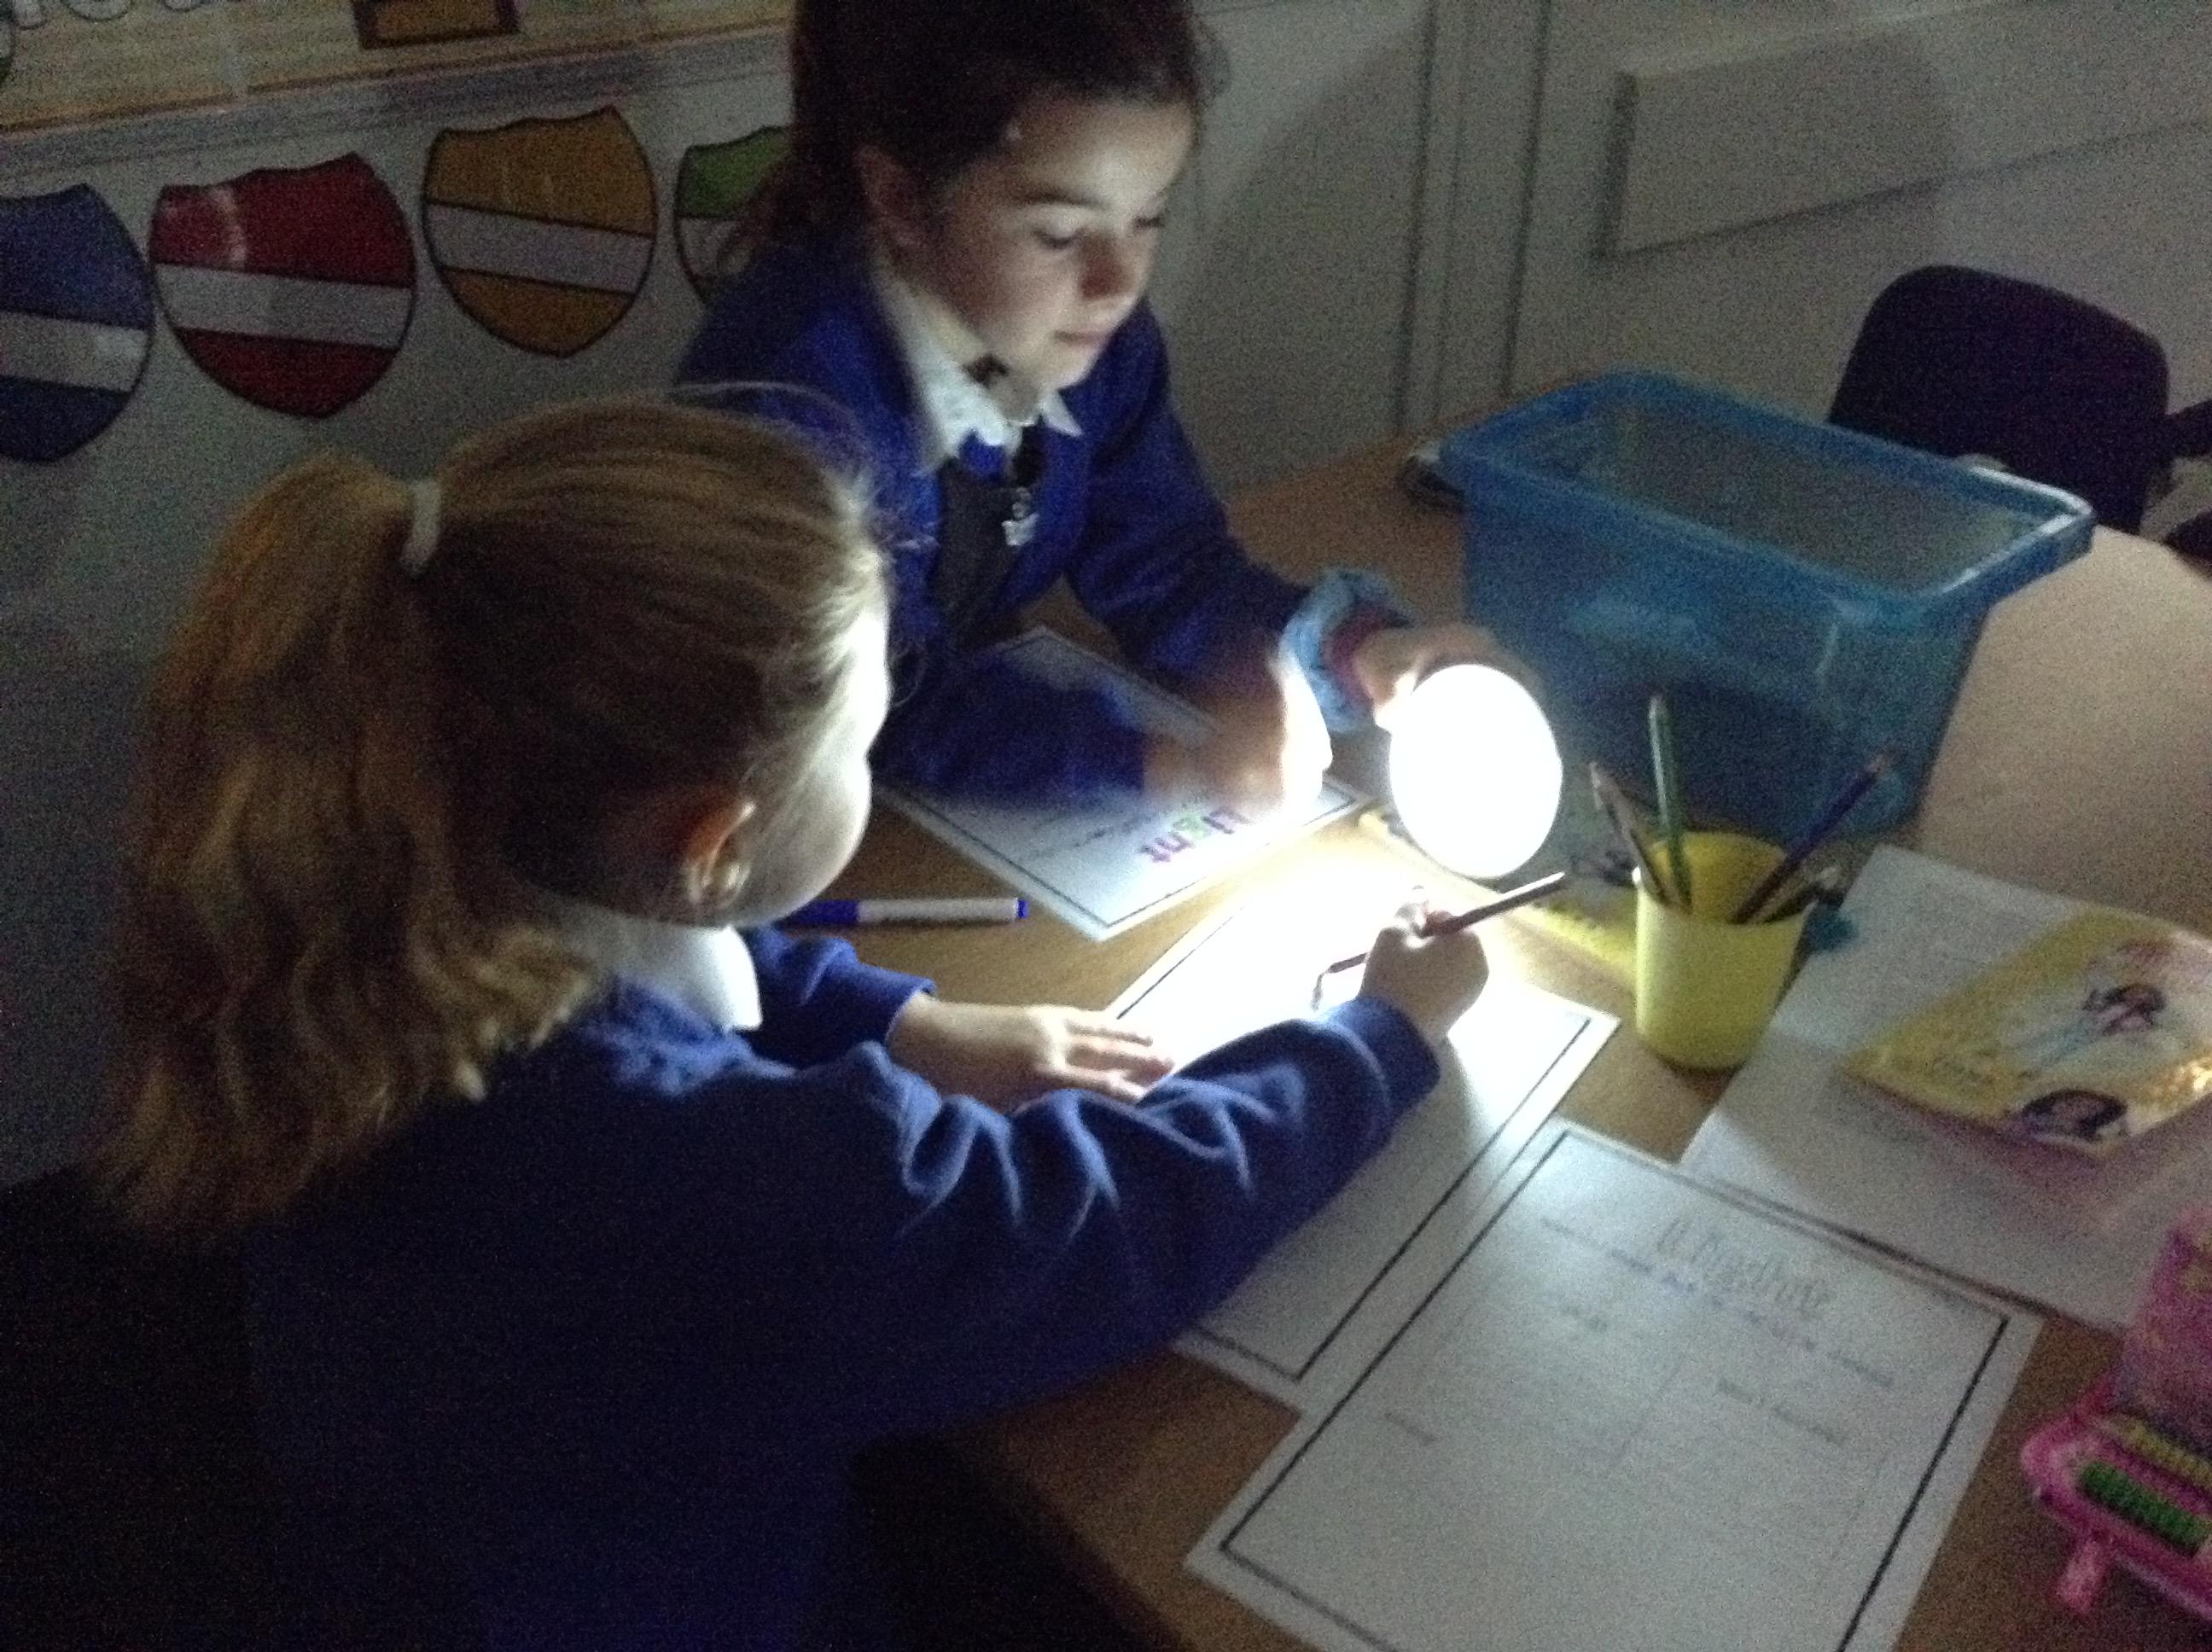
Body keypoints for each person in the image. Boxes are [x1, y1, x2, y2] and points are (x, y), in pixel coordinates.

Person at [94, 397, 1489, 1649]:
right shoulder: (727, 1177)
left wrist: (901, 1024)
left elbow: (698, 953)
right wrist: (1376, 1041)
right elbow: (1091, 1230)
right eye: (859, 744)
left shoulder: (384, 913)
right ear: (713, 839)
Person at [678, 0, 1515, 809]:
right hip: (765, 801)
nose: (1119, 283)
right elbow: (873, 701)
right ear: (900, 201)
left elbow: (1169, 566)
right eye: (1059, 234)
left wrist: (1352, 650)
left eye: (1148, 217)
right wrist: (1160, 764)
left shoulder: (1097, 346)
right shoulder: (793, 403)